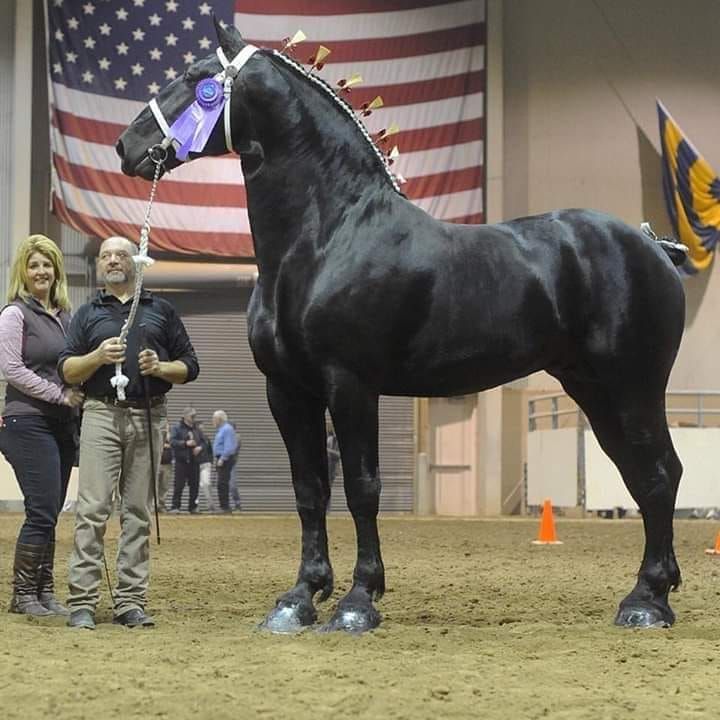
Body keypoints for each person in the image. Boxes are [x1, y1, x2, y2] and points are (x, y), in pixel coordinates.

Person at [58, 236, 199, 630]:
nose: (113, 260)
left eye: (121, 254)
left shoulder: (162, 311)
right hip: (101, 415)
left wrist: (160, 367)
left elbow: (190, 366)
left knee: (137, 513)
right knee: (91, 511)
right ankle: (82, 602)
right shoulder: (87, 314)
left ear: (136, 264)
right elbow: (66, 370)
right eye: (106, 256)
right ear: (100, 267)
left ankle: (130, 602)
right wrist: (97, 357)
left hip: (149, 418)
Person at [0, 235, 84, 617]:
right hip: (26, 420)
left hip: (61, 425)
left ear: (56, 270)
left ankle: (44, 592)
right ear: (24, 272)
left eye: (47, 264)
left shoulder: (67, 316)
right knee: (43, 509)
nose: (41, 271)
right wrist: (59, 395)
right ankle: (22, 595)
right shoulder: (14, 314)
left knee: (49, 510)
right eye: (34, 265)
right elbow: (12, 369)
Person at [170, 407, 201, 513]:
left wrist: (200, 447)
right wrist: (185, 443)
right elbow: (172, 442)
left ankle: (193, 506)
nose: (194, 418)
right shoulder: (177, 428)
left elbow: (204, 442)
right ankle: (175, 506)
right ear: (185, 416)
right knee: (179, 485)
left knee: (195, 485)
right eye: (192, 416)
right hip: (181, 461)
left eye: (195, 416)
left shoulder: (196, 429)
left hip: (194, 462)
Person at [212, 410, 237, 513]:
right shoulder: (222, 429)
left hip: (225, 459)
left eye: (214, 418)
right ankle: (223, 506)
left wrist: (222, 458)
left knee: (222, 483)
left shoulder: (227, 429)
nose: (213, 421)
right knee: (221, 483)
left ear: (219, 419)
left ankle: (225, 507)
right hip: (221, 458)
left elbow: (229, 446)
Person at [196, 420, 215, 513]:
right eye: (200, 427)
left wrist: (210, 461)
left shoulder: (206, 439)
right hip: (195, 465)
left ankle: (210, 505)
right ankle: (195, 506)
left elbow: (210, 451)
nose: (202, 429)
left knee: (206, 483)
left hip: (205, 464)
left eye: (202, 427)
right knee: (196, 486)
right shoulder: (193, 438)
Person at [156, 428, 173, 512]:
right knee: (154, 485)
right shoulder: (156, 433)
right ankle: (153, 505)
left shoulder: (171, 435)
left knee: (164, 486)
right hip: (157, 464)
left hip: (167, 465)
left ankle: (161, 505)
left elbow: (174, 444)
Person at [228, 421, 241, 511]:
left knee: (232, 485)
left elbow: (233, 449)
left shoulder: (237, 436)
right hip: (224, 464)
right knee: (224, 486)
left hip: (231, 464)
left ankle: (237, 503)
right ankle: (226, 505)